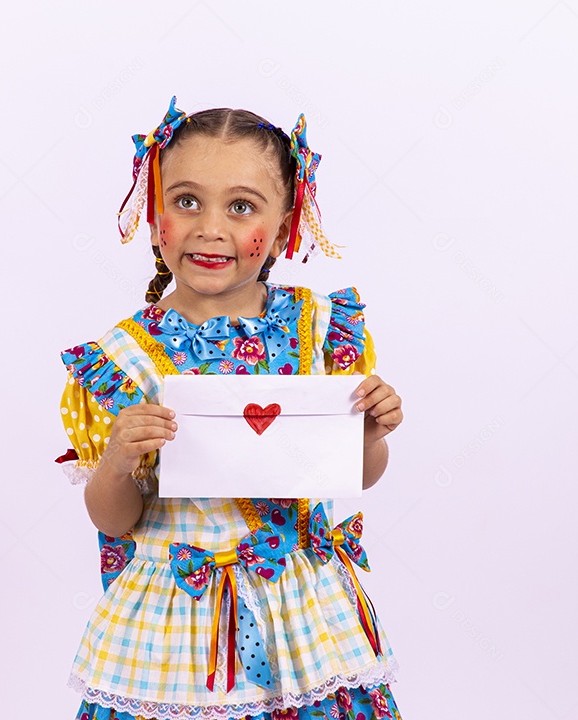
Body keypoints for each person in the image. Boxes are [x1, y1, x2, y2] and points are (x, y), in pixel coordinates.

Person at [55, 96, 405, 720]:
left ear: (286, 220)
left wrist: (369, 435)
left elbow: (355, 474)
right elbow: (113, 521)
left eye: (241, 206)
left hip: (303, 615)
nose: (208, 227)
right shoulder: (123, 361)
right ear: (154, 209)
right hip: (179, 623)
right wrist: (116, 460)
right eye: (186, 200)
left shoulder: (321, 331)